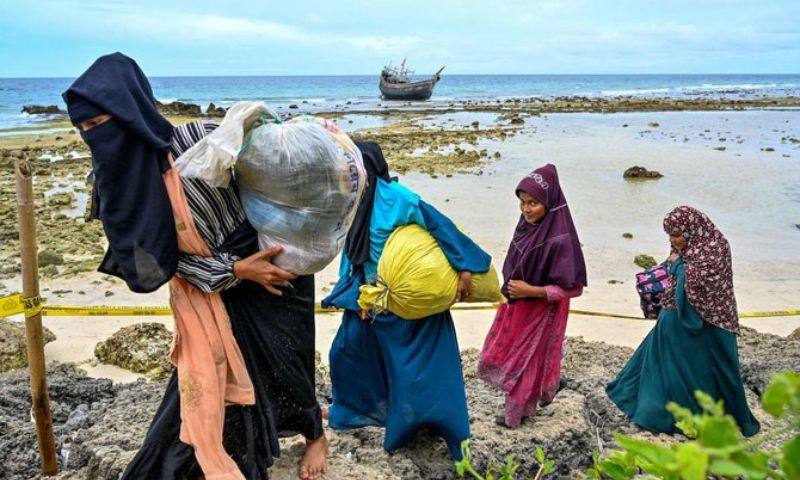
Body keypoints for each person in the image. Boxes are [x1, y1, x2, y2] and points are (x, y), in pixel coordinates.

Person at [63, 52, 328, 480]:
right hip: (212, 284)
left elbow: (279, 171)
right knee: (206, 386)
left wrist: (289, 240)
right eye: (84, 129)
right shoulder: (111, 184)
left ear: (130, 110)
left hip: (272, 261)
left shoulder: (201, 141)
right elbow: (158, 260)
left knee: (288, 358)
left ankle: (315, 434)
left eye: (100, 122)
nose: (94, 136)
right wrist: (236, 271)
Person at [321, 141, 491, 459]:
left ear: (370, 171)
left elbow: (438, 224)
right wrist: (356, 299)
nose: (350, 177)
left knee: (418, 370)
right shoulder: (352, 202)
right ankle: (349, 413)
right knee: (347, 352)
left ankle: (435, 428)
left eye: (355, 170)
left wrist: (464, 267)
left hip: (410, 300)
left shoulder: (397, 198)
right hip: (372, 300)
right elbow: (352, 256)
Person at [606, 206, 760, 437]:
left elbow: (703, 280)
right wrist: (675, 265)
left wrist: (677, 264)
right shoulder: (684, 247)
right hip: (676, 312)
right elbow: (677, 271)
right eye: (669, 235)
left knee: (710, 368)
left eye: (677, 235)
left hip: (712, 319)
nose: (673, 240)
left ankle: (704, 418)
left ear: (692, 230)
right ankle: (654, 413)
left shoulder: (715, 247)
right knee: (661, 360)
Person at [478, 164, 587, 428]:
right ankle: (524, 408)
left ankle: (514, 416)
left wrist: (532, 291)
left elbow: (574, 288)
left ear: (549, 203)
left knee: (529, 360)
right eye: (523, 203)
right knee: (509, 355)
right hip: (517, 307)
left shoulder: (560, 239)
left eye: (534, 203)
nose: (526, 209)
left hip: (542, 312)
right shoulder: (528, 226)